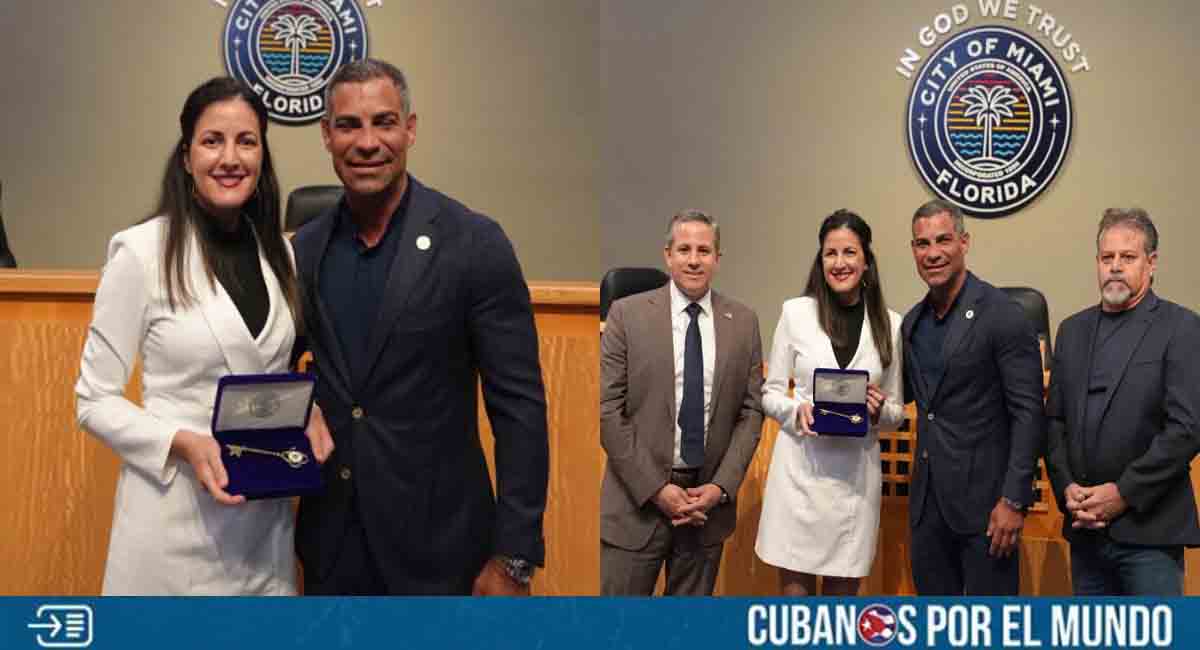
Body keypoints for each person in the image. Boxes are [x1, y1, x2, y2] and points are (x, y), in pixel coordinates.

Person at [291, 59, 549, 595]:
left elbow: (519, 408)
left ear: (410, 129)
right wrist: (300, 403)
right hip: (332, 550)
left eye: (383, 122)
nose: (366, 142)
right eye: (348, 125)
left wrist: (515, 558)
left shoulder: (474, 243)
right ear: (326, 135)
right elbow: (271, 371)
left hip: (444, 551)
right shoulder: (304, 250)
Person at [75, 77, 331, 594]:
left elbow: (271, 370)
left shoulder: (282, 255)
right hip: (173, 530)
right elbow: (93, 399)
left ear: (262, 157)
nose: (230, 157)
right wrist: (182, 443)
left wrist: (308, 407)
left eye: (247, 141)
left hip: (264, 528)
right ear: (187, 156)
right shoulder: (141, 252)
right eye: (213, 140)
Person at [599, 209, 763, 596]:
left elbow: (751, 412)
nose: (694, 260)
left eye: (704, 250)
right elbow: (607, 409)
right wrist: (656, 488)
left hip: (705, 508)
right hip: (635, 504)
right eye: (684, 249)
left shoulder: (742, 321)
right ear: (667, 255)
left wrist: (721, 487)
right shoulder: (626, 315)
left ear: (718, 259)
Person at [1044, 208, 1200, 595]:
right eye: (1106, 257)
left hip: (1150, 535)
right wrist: (1067, 490)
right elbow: (1055, 421)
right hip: (1085, 533)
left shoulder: (1180, 328)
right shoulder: (1073, 330)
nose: (1115, 267)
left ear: (1151, 263)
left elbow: (1186, 429)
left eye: (1127, 258)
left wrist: (1123, 493)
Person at [755, 209, 904, 596]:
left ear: (866, 261)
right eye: (830, 254)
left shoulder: (891, 323)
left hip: (854, 485)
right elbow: (769, 393)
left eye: (849, 253)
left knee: (839, 618)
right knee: (796, 616)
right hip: (800, 476)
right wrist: (795, 410)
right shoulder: (795, 313)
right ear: (820, 261)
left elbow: (896, 413)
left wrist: (877, 412)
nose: (840, 263)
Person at [901, 199, 1045, 595]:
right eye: (922, 244)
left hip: (989, 513)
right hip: (928, 512)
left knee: (991, 632)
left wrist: (1014, 501)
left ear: (964, 242)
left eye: (943, 240)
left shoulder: (1003, 315)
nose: (933, 253)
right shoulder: (912, 323)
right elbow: (912, 401)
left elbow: (1029, 413)